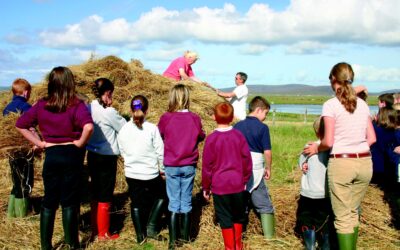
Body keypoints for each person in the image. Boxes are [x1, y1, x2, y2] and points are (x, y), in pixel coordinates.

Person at [16, 66, 94, 250]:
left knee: (49, 201)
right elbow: (89, 127)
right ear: (70, 83)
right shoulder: (76, 104)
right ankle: (72, 244)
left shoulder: (42, 104)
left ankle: (46, 246)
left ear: (50, 83)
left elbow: (21, 125)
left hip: (51, 155)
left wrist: (40, 143)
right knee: (69, 201)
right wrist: (80, 143)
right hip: (71, 154)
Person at [303, 62, 376, 250]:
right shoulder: (363, 105)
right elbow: (372, 138)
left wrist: (316, 149)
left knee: (342, 217)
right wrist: (357, 148)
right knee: (352, 212)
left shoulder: (330, 105)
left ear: (333, 80)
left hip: (342, 163)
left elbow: (327, 141)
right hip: (365, 162)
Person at [158, 84, 205, 249]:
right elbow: (201, 135)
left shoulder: (166, 118)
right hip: (188, 165)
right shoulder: (195, 118)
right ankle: (185, 240)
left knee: (173, 202)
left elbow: (160, 135)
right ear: (187, 98)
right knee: (186, 202)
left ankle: (172, 241)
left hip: (171, 164)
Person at [202, 102, 252, 250]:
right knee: (238, 216)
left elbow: (207, 167)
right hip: (237, 184)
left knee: (225, 218)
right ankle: (238, 246)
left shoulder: (211, 139)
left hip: (220, 186)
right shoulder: (238, 136)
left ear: (215, 117)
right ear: (231, 118)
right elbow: (247, 160)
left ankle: (230, 248)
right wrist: (245, 179)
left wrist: (206, 186)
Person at [117, 95, 166, 244]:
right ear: (147, 109)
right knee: (162, 196)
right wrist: (162, 169)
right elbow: (160, 151)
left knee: (136, 203)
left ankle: (140, 236)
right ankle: (151, 227)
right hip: (150, 173)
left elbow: (122, 151)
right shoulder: (151, 128)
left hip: (132, 173)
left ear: (131, 109)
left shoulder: (123, 129)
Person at [86, 78, 126, 241]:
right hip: (107, 156)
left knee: (95, 191)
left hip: (92, 154)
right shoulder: (109, 112)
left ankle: (95, 228)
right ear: (108, 93)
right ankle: (104, 233)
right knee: (105, 194)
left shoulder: (88, 108)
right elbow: (124, 127)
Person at [233, 96, 275, 239]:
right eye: (265, 113)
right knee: (263, 203)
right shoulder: (263, 128)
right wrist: (268, 168)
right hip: (256, 167)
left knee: (240, 201)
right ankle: (269, 238)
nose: (265, 117)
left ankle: (238, 237)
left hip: (239, 168)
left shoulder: (237, 126)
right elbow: (267, 152)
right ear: (258, 110)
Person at [297, 117, 332, 250]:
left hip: (308, 191)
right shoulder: (332, 148)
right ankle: (325, 244)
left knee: (306, 217)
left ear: (316, 132)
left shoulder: (309, 146)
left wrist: (303, 165)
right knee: (324, 219)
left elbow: (301, 161)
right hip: (325, 192)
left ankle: (310, 245)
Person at [3, 78, 36, 218]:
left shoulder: (7, 108)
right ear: (26, 92)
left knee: (16, 180)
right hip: (24, 150)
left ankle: (11, 214)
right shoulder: (26, 108)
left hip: (11, 150)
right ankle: (22, 216)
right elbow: (31, 127)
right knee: (26, 181)